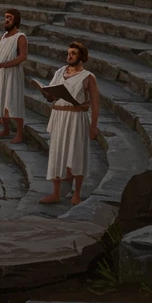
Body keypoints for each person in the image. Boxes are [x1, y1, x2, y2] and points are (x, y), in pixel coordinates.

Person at [39, 41, 99, 206]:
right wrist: (48, 94)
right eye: (69, 53)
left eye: (73, 53)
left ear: (81, 56)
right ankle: (56, 193)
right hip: (58, 114)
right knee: (56, 152)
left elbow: (94, 103)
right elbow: (52, 93)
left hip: (76, 118)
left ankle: (77, 193)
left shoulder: (88, 77)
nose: (70, 56)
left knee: (77, 152)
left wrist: (93, 126)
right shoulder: (59, 72)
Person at [0, 9, 28, 143]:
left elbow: (22, 56)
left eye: (9, 17)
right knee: (2, 99)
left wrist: (4, 65)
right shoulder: (2, 37)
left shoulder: (20, 37)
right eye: (5, 17)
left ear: (16, 19)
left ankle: (20, 133)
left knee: (13, 100)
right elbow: (0, 55)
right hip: (1, 73)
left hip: (13, 73)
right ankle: (6, 129)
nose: (6, 20)